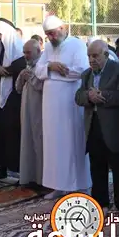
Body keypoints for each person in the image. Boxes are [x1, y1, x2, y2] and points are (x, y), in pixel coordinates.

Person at [34, 15, 91, 200]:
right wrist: (51, 66)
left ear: (63, 28)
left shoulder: (77, 45)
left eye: (52, 33)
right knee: (53, 144)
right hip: (50, 105)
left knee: (72, 142)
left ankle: (79, 185)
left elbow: (81, 71)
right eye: (47, 34)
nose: (50, 37)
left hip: (69, 103)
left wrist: (53, 72)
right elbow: (38, 70)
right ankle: (58, 185)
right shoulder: (49, 47)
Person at [75, 40, 119, 215]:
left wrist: (102, 95)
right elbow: (78, 97)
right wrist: (89, 96)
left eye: (95, 56)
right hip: (94, 127)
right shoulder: (86, 74)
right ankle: (101, 203)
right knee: (97, 166)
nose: (91, 60)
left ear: (106, 55)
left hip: (115, 128)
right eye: (89, 56)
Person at [0, 18, 26, 180]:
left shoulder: (19, 51)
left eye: (0, 34)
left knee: (13, 133)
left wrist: (2, 70)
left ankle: (19, 171)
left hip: (13, 97)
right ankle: (1, 169)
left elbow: (19, 67)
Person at [17, 39, 44, 186]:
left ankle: (41, 179)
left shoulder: (43, 65)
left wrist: (31, 77)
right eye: (24, 53)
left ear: (38, 51)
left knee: (39, 143)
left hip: (39, 110)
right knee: (27, 142)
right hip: (26, 110)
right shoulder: (27, 65)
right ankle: (29, 176)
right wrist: (22, 77)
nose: (26, 55)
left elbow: (43, 86)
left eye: (28, 52)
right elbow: (18, 88)